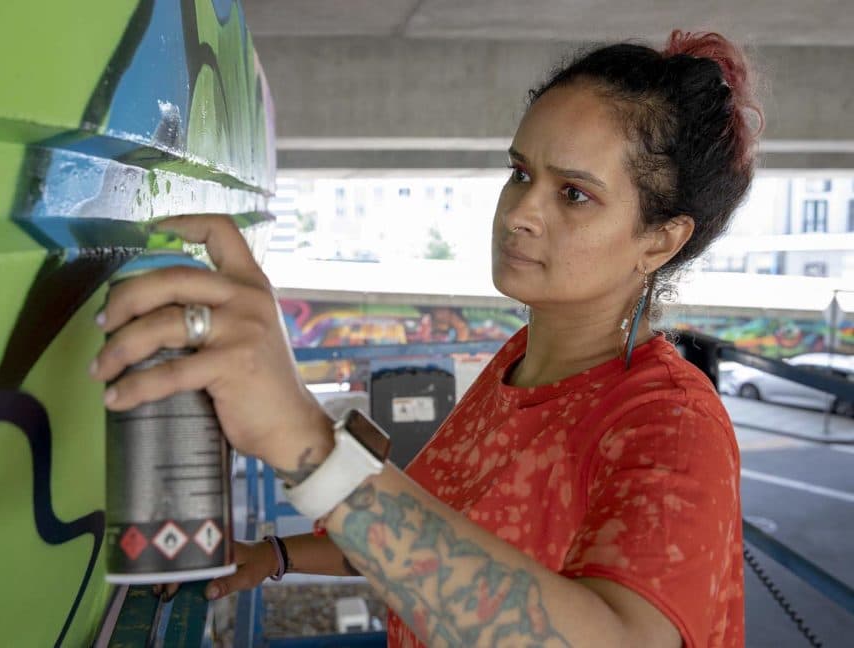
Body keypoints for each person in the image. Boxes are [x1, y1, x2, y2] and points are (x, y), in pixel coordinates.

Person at [91, 29, 762, 647]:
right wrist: (275, 555)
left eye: (574, 194)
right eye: (521, 174)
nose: (520, 212)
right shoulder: (518, 365)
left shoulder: (670, 423)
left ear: (660, 239)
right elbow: (431, 534)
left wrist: (304, 438)